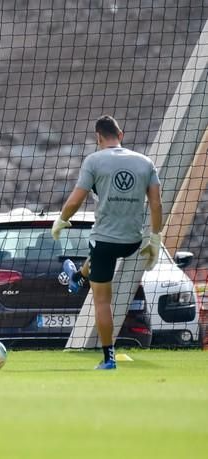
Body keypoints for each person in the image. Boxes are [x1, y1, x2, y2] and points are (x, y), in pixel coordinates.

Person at [51, 115, 163, 370]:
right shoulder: (146, 162)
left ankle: (108, 358)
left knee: (102, 301)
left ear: (98, 138)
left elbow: (75, 200)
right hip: (133, 241)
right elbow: (156, 204)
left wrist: (61, 220)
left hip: (103, 241)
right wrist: (155, 238)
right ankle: (79, 276)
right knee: (99, 258)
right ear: (120, 134)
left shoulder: (94, 160)